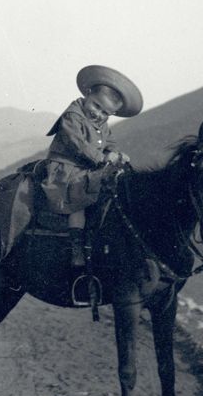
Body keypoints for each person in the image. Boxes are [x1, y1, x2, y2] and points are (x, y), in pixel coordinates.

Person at [40, 65, 143, 266]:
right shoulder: (73, 116)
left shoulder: (101, 123)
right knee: (79, 200)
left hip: (87, 167)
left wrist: (116, 154)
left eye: (106, 113)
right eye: (96, 106)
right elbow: (77, 144)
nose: (99, 115)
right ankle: (76, 246)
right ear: (88, 94)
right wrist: (102, 158)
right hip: (66, 167)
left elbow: (109, 142)